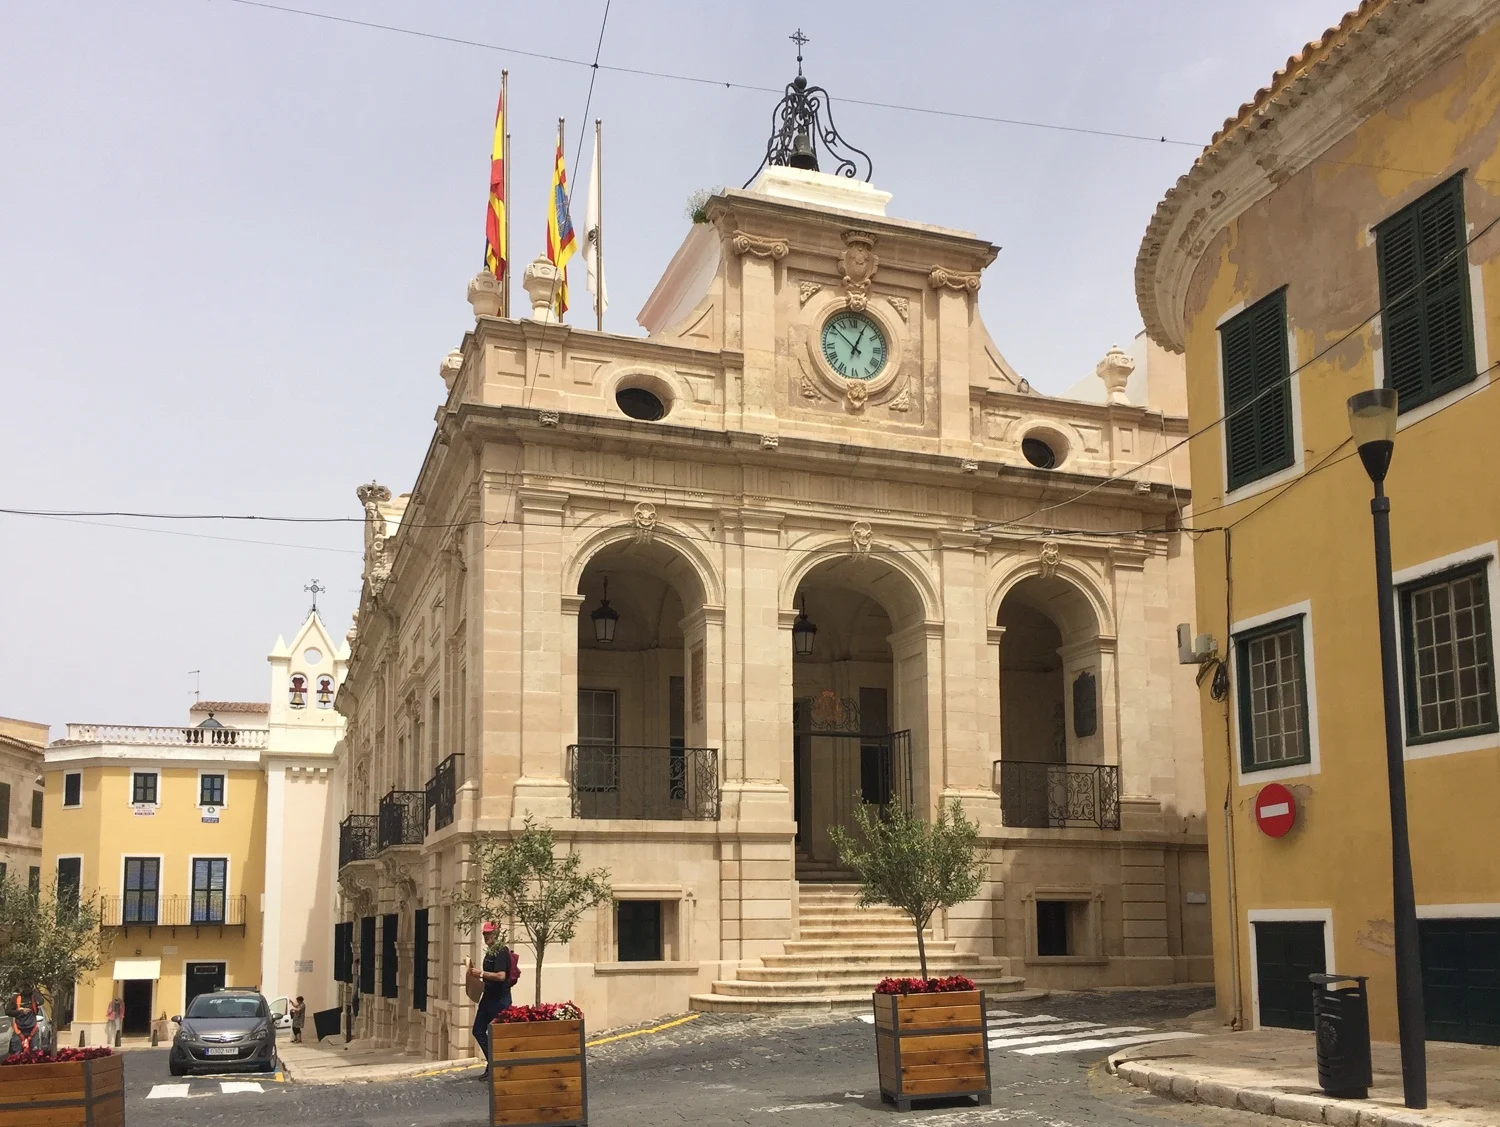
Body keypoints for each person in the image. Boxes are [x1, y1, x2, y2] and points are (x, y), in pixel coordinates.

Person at [465, 921, 513, 1072]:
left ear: (496, 934)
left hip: (499, 1000)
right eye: (484, 933)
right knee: (478, 1030)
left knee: (497, 1035)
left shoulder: (501, 952)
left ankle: (498, 1067)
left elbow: (500, 976)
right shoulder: (490, 951)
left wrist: (481, 973)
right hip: (488, 997)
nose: (486, 936)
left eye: (489, 933)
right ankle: (493, 1063)